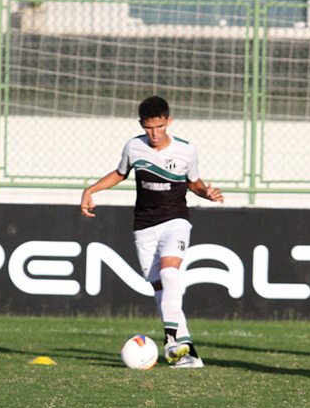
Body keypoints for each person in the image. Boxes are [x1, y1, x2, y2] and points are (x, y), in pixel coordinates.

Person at [80, 95, 224, 369]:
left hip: (175, 221)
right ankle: (187, 352)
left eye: (159, 127)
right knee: (159, 288)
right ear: (141, 125)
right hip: (144, 227)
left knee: (170, 273)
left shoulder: (186, 150)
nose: (154, 133)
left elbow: (194, 182)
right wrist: (91, 190)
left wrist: (207, 192)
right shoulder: (134, 147)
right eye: (149, 128)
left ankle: (171, 341)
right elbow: (121, 173)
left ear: (169, 121)